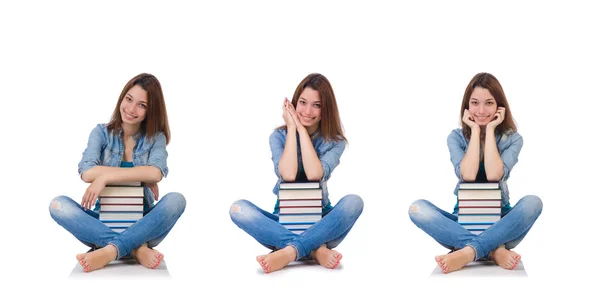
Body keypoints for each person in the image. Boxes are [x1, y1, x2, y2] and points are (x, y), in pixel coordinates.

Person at [49, 73, 186, 272]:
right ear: (122, 98)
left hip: (145, 223)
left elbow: (156, 173)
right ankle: (136, 248)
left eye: (142, 105)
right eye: (129, 99)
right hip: (101, 221)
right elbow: (86, 171)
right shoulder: (101, 133)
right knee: (57, 205)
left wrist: (104, 176)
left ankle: (109, 250)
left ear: (151, 111)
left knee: (177, 199)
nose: (131, 109)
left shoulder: (157, 138)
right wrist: (141, 174)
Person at [408, 72, 543, 274]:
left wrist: (489, 130)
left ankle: (467, 252)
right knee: (417, 209)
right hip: (463, 221)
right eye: (475, 103)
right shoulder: (455, 138)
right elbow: (468, 175)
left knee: (533, 202)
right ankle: (494, 250)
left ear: (499, 106)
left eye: (489, 103)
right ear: (467, 107)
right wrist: (474, 130)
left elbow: (494, 175)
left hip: (502, 222)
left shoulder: (513, 139)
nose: (481, 110)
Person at [230, 73, 364, 273]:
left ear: (326, 108)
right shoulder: (279, 136)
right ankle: (315, 250)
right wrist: (292, 128)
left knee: (354, 201)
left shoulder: (335, 142)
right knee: (238, 209)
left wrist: (301, 130)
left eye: (316, 105)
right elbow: (288, 174)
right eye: (302, 102)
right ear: (293, 103)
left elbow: (314, 174)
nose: (307, 111)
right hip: (283, 220)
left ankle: (289, 251)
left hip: (323, 220)